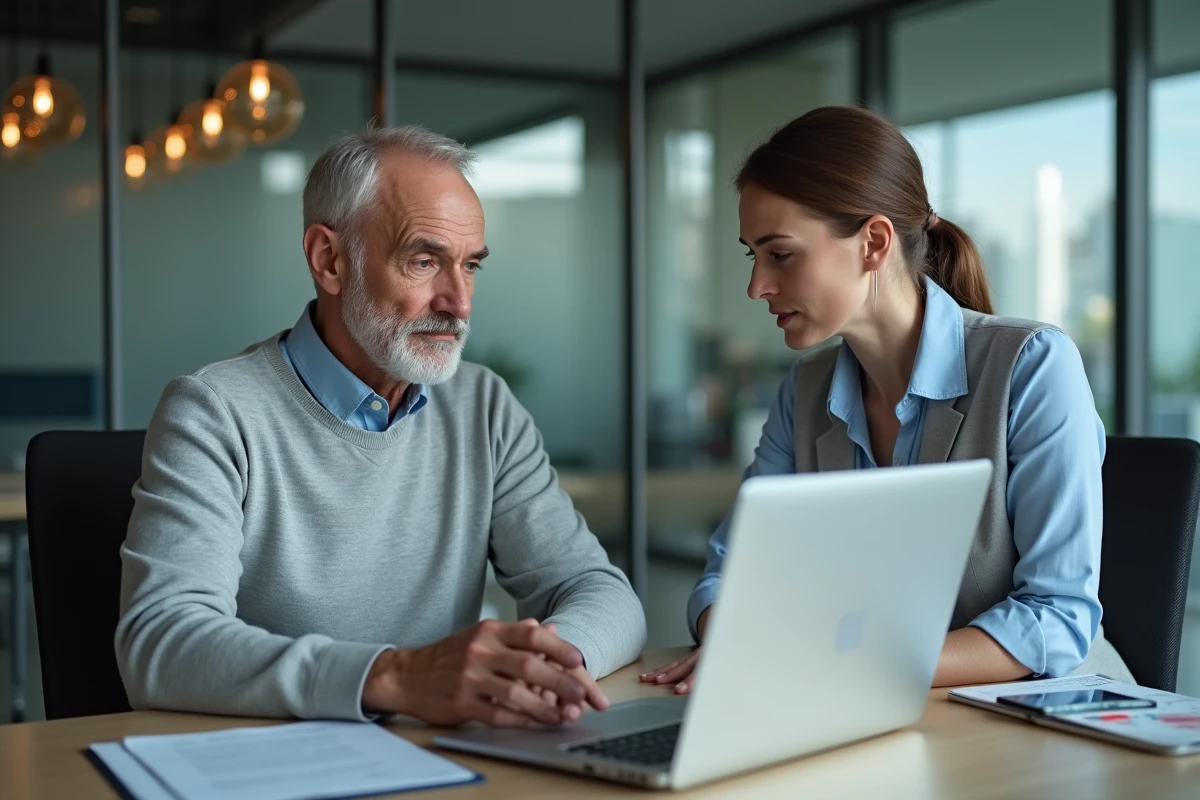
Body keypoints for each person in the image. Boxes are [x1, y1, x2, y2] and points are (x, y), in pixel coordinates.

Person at [116, 125, 646, 727]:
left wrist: (547, 663)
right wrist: (398, 677)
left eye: (470, 266)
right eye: (424, 261)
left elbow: (600, 591)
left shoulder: (484, 406)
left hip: (448, 761)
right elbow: (161, 643)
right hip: (278, 767)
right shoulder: (212, 411)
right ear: (329, 260)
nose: (460, 302)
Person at [642, 105, 1133, 694]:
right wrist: (735, 639)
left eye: (781, 254)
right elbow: (731, 571)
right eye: (753, 255)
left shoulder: (1033, 368)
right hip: (874, 714)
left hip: (1050, 724)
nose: (757, 286)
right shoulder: (805, 391)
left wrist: (839, 665)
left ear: (873, 242)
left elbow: (1056, 618)